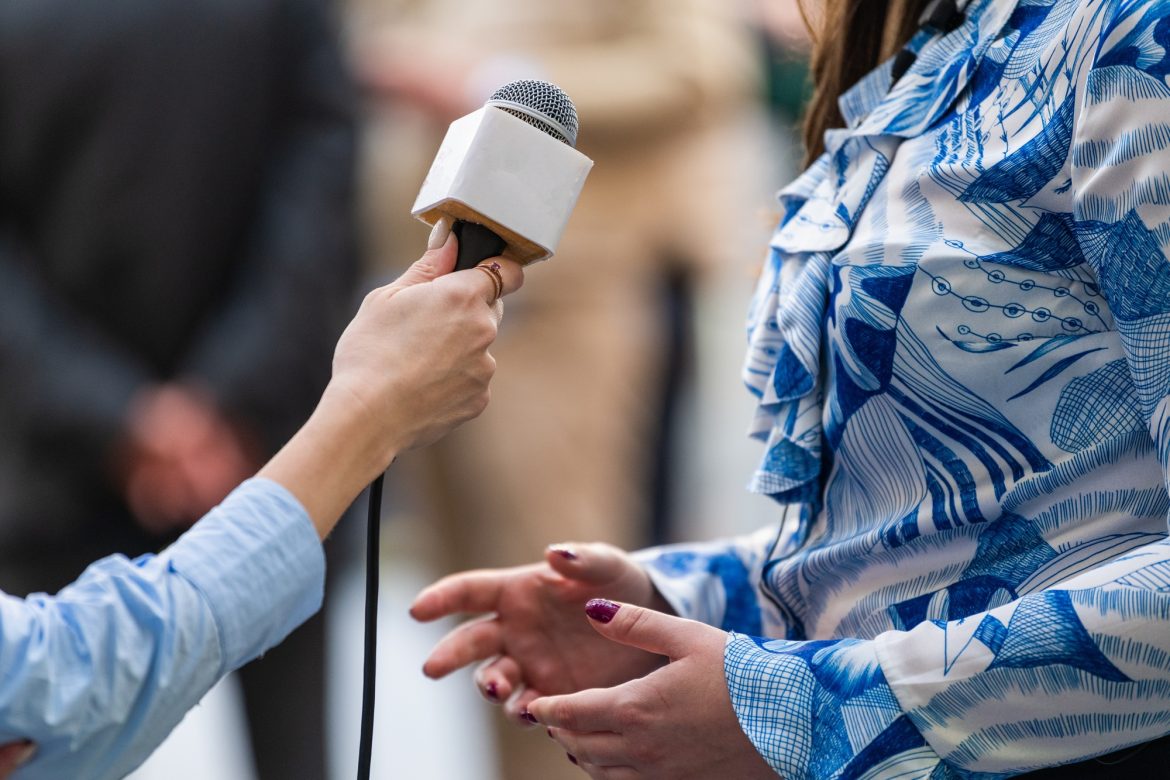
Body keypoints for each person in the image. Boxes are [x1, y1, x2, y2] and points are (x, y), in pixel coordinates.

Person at [412, 0, 1170, 776]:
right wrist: (681, 604)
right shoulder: (935, 47)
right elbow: (934, 529)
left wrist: (802, 708)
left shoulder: (1138, 41)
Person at [0, 225, 522, 780]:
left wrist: (225, 399)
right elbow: (56, 684)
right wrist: (368, 413)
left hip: (262, 409)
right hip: (55, 471)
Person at [0, 1, 356, 775]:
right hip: (268, 451)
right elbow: (321, 184)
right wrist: (222, 398)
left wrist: (122, 415)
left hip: (81, 444)